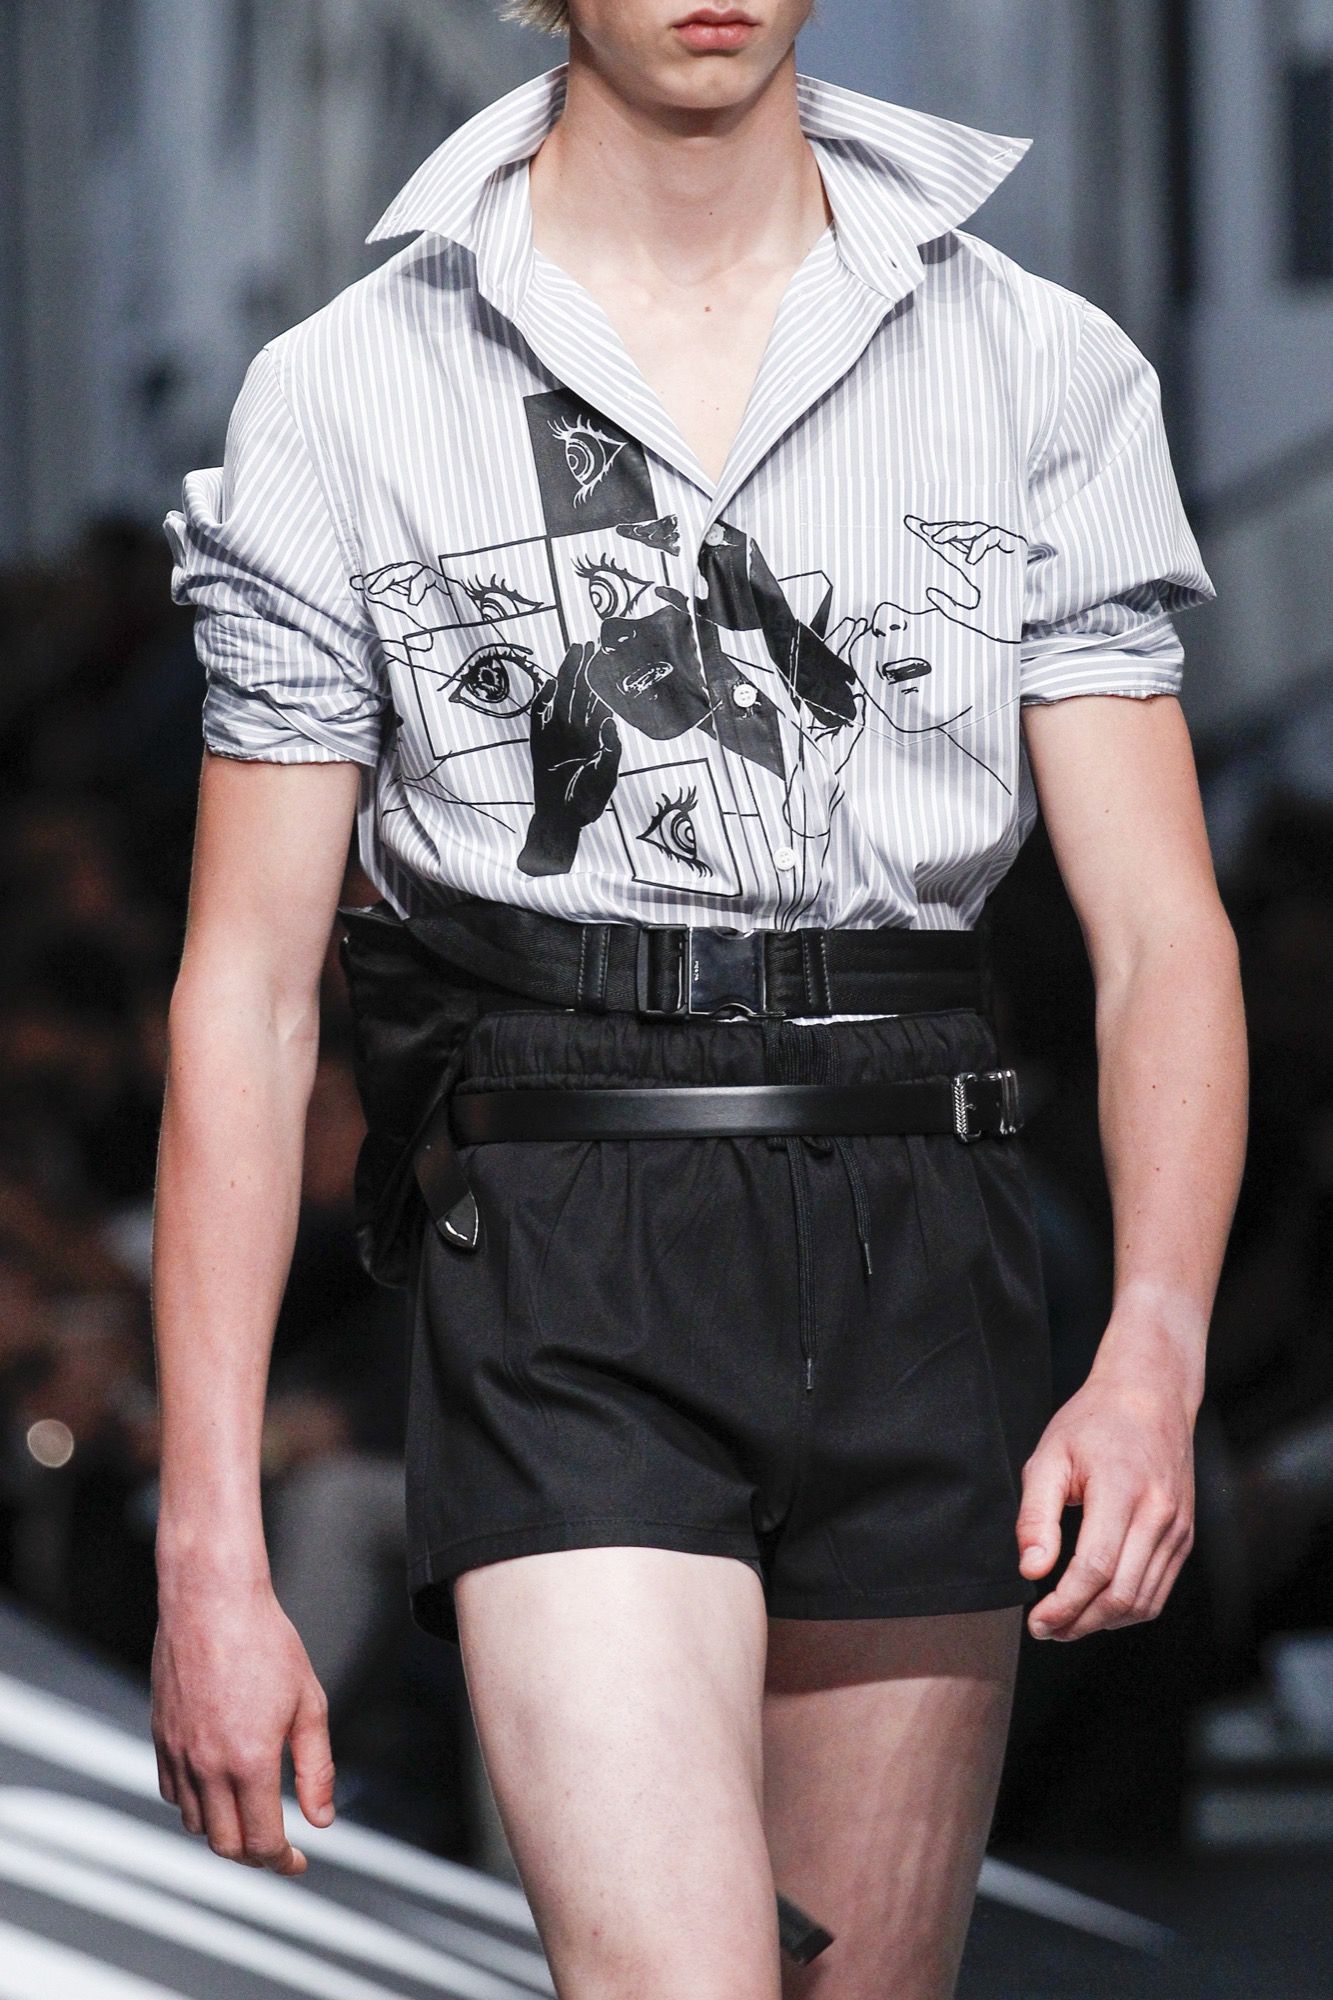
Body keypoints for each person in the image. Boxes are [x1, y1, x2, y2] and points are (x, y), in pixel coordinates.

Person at [148, 4, 1248, 1995]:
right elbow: (246, 991)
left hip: (922, 1218)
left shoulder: (1033, 361)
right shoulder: (352, 388)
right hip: (563, 1234)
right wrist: (208, 1539)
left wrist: (1154, 1348)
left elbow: (1162, 930)